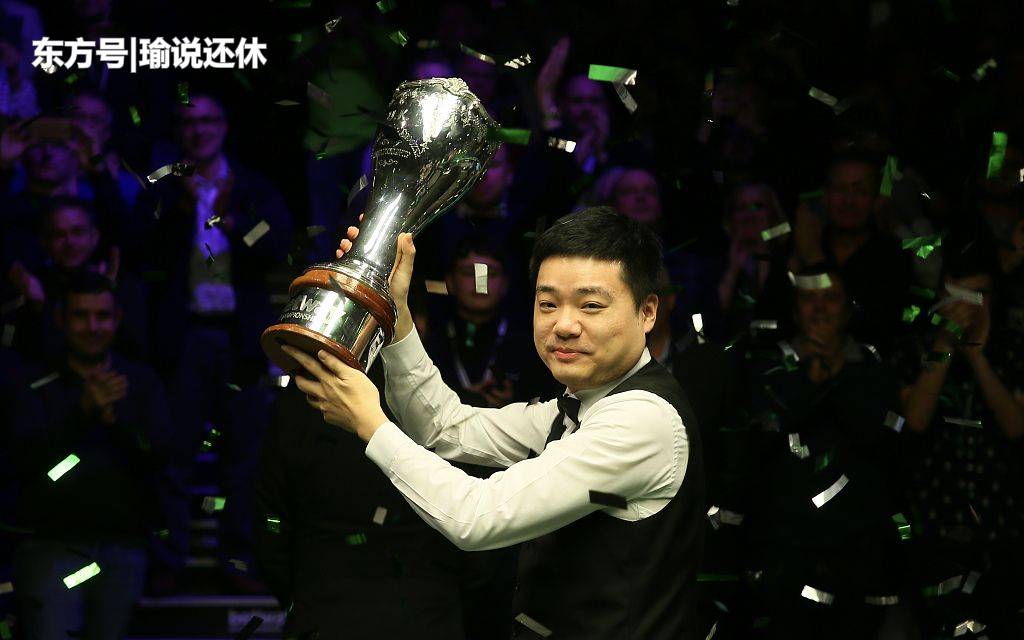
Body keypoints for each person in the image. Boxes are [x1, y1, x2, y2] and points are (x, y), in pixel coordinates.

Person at [285, 207, 706, 639]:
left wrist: (370, 422)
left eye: (591, 306)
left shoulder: (641, 420)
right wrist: (395, 315)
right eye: (548, 304)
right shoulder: (583, 406)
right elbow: (445, 426)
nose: (564, 325)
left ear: (647, 312)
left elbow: (476, 517)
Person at [130, 92, 291, 592]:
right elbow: (140, 246)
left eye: (207, 121)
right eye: (189, 122)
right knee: (174, 452)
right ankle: (169, 560)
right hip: (184, 338)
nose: (199, 131)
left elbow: (276, 243)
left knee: (243, 456)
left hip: (240, 339)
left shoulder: (249, 186)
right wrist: (182, 209)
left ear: (223, 127)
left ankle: (238, 560)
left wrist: (235, 222)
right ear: (179, 132)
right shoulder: (164, 188)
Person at [742, 268, 913, 639]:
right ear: (794, 310)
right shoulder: (767, 366)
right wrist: (809, 380)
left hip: (858, 552)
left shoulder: (873, 367)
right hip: (787, 550)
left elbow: (880, 439)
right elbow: (763, 441)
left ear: (848, 309)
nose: (819, 309)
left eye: (831, 298)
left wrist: (837, 371)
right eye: (809, 298)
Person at [7, 272, 172, 640]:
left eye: (102, 316)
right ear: (61, 319)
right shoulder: (34, 382)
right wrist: (81, 411)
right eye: (81, 316)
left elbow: (161, 456)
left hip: (123, 549)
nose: (92, 327)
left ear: (117, 319)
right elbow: (26, 460)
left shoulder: (139, 382)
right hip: (51, 547)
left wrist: (117, 422)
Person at [254, 365, 468, 640]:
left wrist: (302, 601)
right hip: (427, 614)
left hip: (325, 612)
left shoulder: (297, 404)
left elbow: (271, 525)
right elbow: (479, 552)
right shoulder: (447, 403)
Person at [896, 239, 1024, 637]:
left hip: (1001, 524)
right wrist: (945, 345)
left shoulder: (1013, 348)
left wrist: (978, 358)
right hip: (935, 522)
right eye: (958, 295)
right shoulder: (917, 344)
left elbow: (1016, 427)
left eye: (978, 295)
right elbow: (915, 419)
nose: (968, 307)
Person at [789, 150, 912, 354]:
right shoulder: (802, 244)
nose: (848, 201)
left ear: (875, 200)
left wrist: (815, 262)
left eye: (861, 191)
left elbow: (880, 329)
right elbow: (777, 321)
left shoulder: (893, 255)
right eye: (839, 189)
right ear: (825, 196)